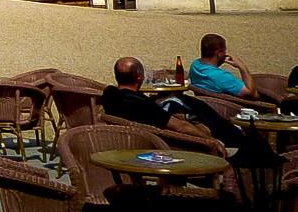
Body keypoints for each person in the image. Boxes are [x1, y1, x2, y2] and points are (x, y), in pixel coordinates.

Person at [102, 56, 247, 149]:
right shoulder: (143, 106)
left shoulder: (109, 95)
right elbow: (180, 128)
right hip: (172, 147)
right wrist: (211, 141)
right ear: (140, 78)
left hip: (136, 143)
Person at [188, 33, 259, 100]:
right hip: (236, 109)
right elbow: (252, 94)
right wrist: (241, 66)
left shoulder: (195, 66)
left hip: (210, 106)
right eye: (224, 51)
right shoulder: (222, 77)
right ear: (219, 53)